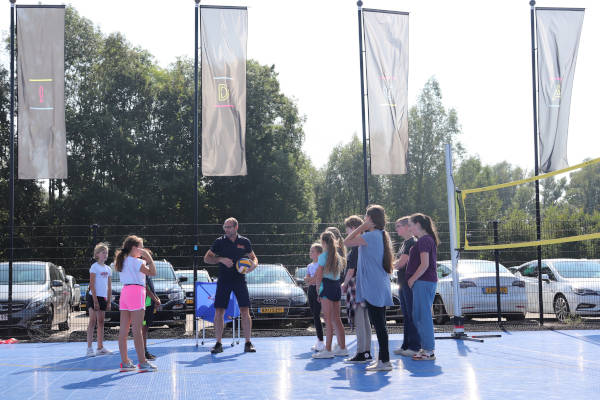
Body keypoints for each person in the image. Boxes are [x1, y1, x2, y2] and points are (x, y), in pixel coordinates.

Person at [344, 205, 394, 371]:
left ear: (371, 220)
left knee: (379, 325)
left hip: (374, 287)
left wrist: (361, 227)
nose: (364, 219)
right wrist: (365, 227)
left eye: (366, 217)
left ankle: (385, 361)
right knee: (380, 325)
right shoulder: (378, 235)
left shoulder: (371, 236)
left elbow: (346, 241)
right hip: (378, 285)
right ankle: (384, 360)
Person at [204, 217, 259, 354]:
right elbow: (207, 258)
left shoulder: (244, 241)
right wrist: (220, 259)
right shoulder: (219, 242)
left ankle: (248, 343)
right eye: (225, 227)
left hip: (240, 280)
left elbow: (253, 258)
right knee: (219, 312)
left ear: (236, 227)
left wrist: (254, 265)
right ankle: (218, 344)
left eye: (229, 227)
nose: (227, 230)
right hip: (224, 281)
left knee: (245, 311)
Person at [115, 235, 158, 372]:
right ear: (134, 248)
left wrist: (143, 255)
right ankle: (143, 362)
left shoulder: (122, 261)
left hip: (125, 292)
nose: (142, 250)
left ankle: (125, 362)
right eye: (141, 247)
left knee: (123, 330)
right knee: (137, 330)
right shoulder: (137, 262)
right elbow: (153, 272)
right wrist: (148, 257)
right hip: (136, 292)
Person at [406, 213, 440, 361]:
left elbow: (425, 264)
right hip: (422, 282)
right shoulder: (423, 240)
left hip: (423, 282)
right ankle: (426, 347)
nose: (409, 228)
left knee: (423, 316)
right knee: (418, 315)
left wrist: (413, 279)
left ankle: (429, 349)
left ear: (418, 224)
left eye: (411, 224)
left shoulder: (425, 240)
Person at [342, 215, 373, 364]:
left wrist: (344, 284)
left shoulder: (356, 246)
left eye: (347, 230)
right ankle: (366, 351)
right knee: (365, 320)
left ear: (353, 228)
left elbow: (351, 270)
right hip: (364, 286)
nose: (346, 233)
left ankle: (361, 351)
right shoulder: (364, 243)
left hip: (356, 286)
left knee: (360, 319)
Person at [312, 231, 347, 359]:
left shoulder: (323, 256)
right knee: (336, 319)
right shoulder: (337, 256)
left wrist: (318, 289)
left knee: (328, 319)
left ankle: (328, 350)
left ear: (324, 242)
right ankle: (343, 348)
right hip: (336, 287)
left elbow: (319, 275)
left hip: (326, 287)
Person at [392, 217, 421, 357]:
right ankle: (406, 345)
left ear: (407, 227)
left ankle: (415, 346)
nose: (396, 229)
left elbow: (401, 263)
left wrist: (386, 266)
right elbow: (398, 261)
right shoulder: (405, 243)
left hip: (409, 284)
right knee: (406, 315)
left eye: (399, 226)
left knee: (412, 314)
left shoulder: (413, 242)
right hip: (402, 283)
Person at [86, 242, 113, 357]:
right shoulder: (94, 267)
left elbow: (109, 286)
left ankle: (100, 347)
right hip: (93, 297)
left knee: (101, 322)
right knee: (92, 321)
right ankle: (89, 348)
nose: (105, 254)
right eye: (103, 252)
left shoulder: (108, 269)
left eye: (106, 252)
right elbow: (92, 285)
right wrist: (95, 301)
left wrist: (108, 301)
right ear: (97, 254)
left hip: (103, 298)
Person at [305, 243, 324, 352]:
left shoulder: (321, 265)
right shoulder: (309, 265)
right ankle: (319, 340)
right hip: (311, 290)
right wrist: (310, 279)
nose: (310, 253)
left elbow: (314, 279)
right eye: (310, 251)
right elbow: (307, 279)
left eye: (313, 251)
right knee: (315, 315)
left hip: (319, 289)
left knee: (317, 315)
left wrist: (310, 279)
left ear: (319, 253)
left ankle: (322, 341)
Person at [142, 272, 161, 361]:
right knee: (142, 329)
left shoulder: (147, 273)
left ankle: (144, 351)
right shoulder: (142, 272)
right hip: (143, 306)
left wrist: (156, 298)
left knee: (145, 328)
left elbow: (151, 289)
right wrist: (155, 300)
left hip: (149, 305)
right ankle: (143, 352)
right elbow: (146, 289)